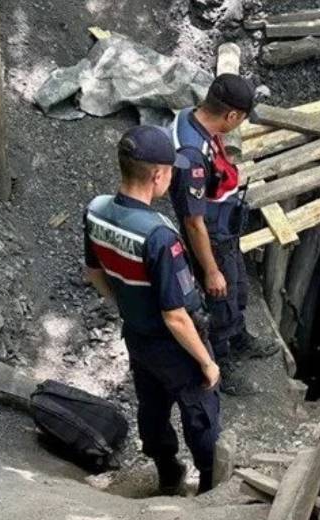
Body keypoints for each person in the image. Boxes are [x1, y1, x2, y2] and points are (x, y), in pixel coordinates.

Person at [83, 125, 221, 495]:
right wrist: (206, 362)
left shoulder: (96, 211)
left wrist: (126, 302)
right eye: (171, 171)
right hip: (173, 344)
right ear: (158, 175)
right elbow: (175, 315)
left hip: (138, 336)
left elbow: (94, 272)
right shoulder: (158, 235)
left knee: (152, 406)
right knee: (200, 413)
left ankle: (168, 473)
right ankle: (210, 485)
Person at [170, 73, 279, 396]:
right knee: (220, 297)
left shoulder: (197, 119)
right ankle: (222, 360)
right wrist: (211, 269)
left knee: (238, 288)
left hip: (224, 228)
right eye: (242, 119)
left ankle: (239, 336)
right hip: (211, 237)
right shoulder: (192, 156)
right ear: (231, 115)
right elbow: (193, 221)